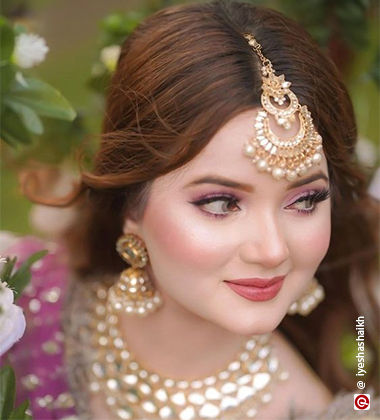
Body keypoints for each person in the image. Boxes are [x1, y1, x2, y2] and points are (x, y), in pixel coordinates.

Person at [2, 1, 379, 419]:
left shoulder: (309, 408)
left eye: (304, 200)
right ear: (132, 200)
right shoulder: (18, 308)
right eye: (221, 203)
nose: (273, 251)